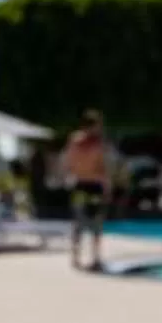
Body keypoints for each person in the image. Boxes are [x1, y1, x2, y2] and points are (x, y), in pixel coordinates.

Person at [62, 110, 111, 270]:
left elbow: (68, 164)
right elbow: (102, 168)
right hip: (94, 186)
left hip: (78, 185)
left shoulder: (73, 141)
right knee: (96, 222)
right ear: (94, 126)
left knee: (78, 220)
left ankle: (76, 257)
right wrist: (106, 186)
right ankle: (95, 258)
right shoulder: (97, 144)